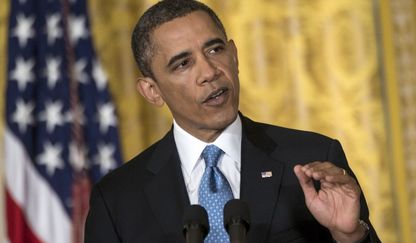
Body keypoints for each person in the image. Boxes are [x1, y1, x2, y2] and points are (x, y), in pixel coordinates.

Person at [84, 0, 381, 242]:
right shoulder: (117, 200)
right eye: (183, 63)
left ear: (235, 55)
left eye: (215, 49)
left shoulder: (312, 159)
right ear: (152, 91)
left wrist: (350, 236)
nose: (210, 71)